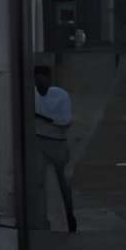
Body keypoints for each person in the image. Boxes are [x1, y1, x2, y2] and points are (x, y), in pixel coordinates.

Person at [33, 61, 77, 233]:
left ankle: (69, 217)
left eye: (42, 82)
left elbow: (64, 121)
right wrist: (49, 120)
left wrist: (40, 117)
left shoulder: (60, 95)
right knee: (38, 183)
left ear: (49, 80)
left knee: (63, 182)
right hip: (39, 141)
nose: (40, 85)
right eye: (37, 82)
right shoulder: (32, 94)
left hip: (57, 143)